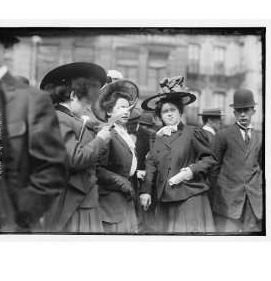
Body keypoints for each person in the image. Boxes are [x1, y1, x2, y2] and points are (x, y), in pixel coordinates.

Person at [0, 30, 68, 232]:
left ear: (4, 45)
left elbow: (52, 170)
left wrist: (18, 217)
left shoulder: (30, 99)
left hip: (4, 224)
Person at [40, 62, 111, 232]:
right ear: (73, 95)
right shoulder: (60, 118)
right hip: (74, 204)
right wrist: (100, 140)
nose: (89, 107)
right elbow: (74, 158)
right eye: (87, 101)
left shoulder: (67, 118)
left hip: (81, 200)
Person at [139, 90, 216, 233]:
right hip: (165, 200)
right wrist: (146, 191)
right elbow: (151, 166)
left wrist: (191, 171)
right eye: (164, 111)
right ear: (160, 116)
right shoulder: (156, 138)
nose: (169, 114)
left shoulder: (192, 132)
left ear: (180, 113)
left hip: (189, 196)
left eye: (172, 110)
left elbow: (209, 159)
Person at [211, 89, 262, 233]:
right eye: (239, 111)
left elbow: (261, 166)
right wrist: (220, 195)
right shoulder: (223, 136)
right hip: (228, 202)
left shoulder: (260, 137)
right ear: (234, 113)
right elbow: (214, 169)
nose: (243, 114)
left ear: (253, 111)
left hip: (254, 201)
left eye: (246, 110)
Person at [92, 79, 139, 233]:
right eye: (121, 108)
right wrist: (121, 182)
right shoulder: (107, 133)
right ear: (110, 111)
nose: (126, 112)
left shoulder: (124, 134)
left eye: (128, 108)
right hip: (111, 204)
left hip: (125, 201)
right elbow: (96, 168)